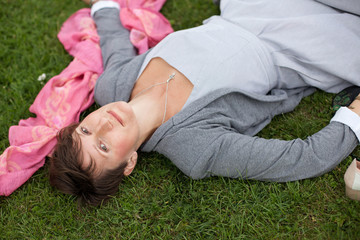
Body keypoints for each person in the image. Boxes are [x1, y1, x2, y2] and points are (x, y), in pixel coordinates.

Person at [49, 0, 360, 206]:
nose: (104, 124)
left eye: (86, 132)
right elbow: (302, 159)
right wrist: (353, 119)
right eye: (104, 147)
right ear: (129, 162)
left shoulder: (111, 86)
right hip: (293, 43)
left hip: (244, 9)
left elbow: (115, 45)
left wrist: (103, 6)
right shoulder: (194, 148)